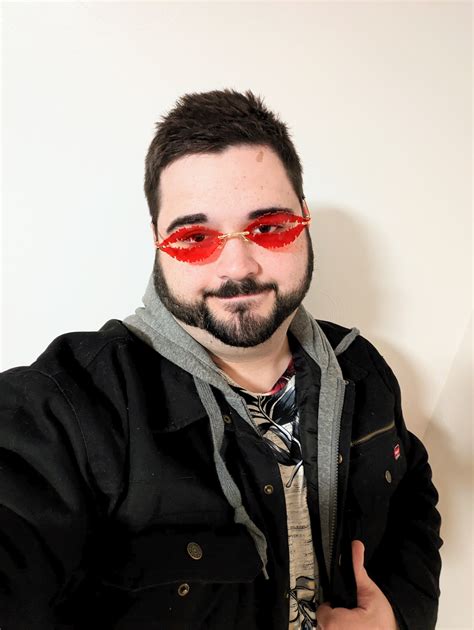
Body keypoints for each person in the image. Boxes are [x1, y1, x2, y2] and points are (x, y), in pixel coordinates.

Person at [0, 89, 442, 630]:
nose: (238, 266)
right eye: (195, 236)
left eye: (270, 227)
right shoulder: (75, 402)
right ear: (158, 242)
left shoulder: (361, 367)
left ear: (304, 221)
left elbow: (412, 491)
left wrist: (399, 616)